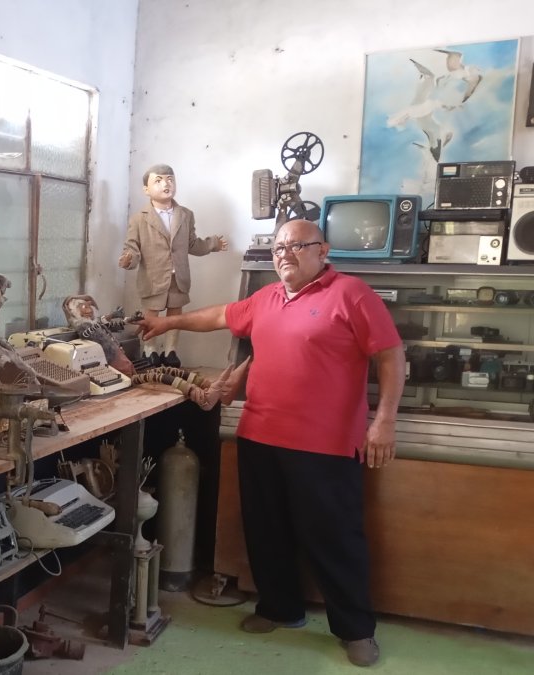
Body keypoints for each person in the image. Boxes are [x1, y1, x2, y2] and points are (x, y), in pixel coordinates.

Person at [135, 219, 405, 668]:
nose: (285, 254)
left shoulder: (352, 294)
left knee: (334, 539)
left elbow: (391, 355)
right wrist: (167, 321)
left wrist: (385, 421)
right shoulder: (267, 297)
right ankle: (280, 609)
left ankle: (356, 630)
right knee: (265, 530)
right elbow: (220, 316)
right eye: (279, 247)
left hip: (326, 444)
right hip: (259, 435)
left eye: (297, 246)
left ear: (323, 251)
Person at [119, 164, 229, 368]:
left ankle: (170, 351)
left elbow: (192, 244)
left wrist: (212, 244)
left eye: (170, 179)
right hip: (152, 279)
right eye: (158, 180)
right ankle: (150, 350)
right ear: (146, 189)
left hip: (178, 278)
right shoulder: (139, 219)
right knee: (150, 315)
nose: (166, 184)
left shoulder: (186, 214)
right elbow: (132, 248)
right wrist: (128, 259)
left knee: (175, 315)